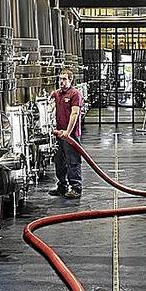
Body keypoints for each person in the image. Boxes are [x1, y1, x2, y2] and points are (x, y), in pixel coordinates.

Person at [48, 68, 84, 199]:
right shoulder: (57, 94)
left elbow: (74, 114)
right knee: (59, 161)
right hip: (58, 134)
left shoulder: (75, 94)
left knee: (72, 161)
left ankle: (76, 187)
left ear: (70, 80)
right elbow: (49, 107)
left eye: (64, 79)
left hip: (71, 135)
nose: (61, 82)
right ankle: (62, 186)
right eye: (60, 79)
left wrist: (68, 133)